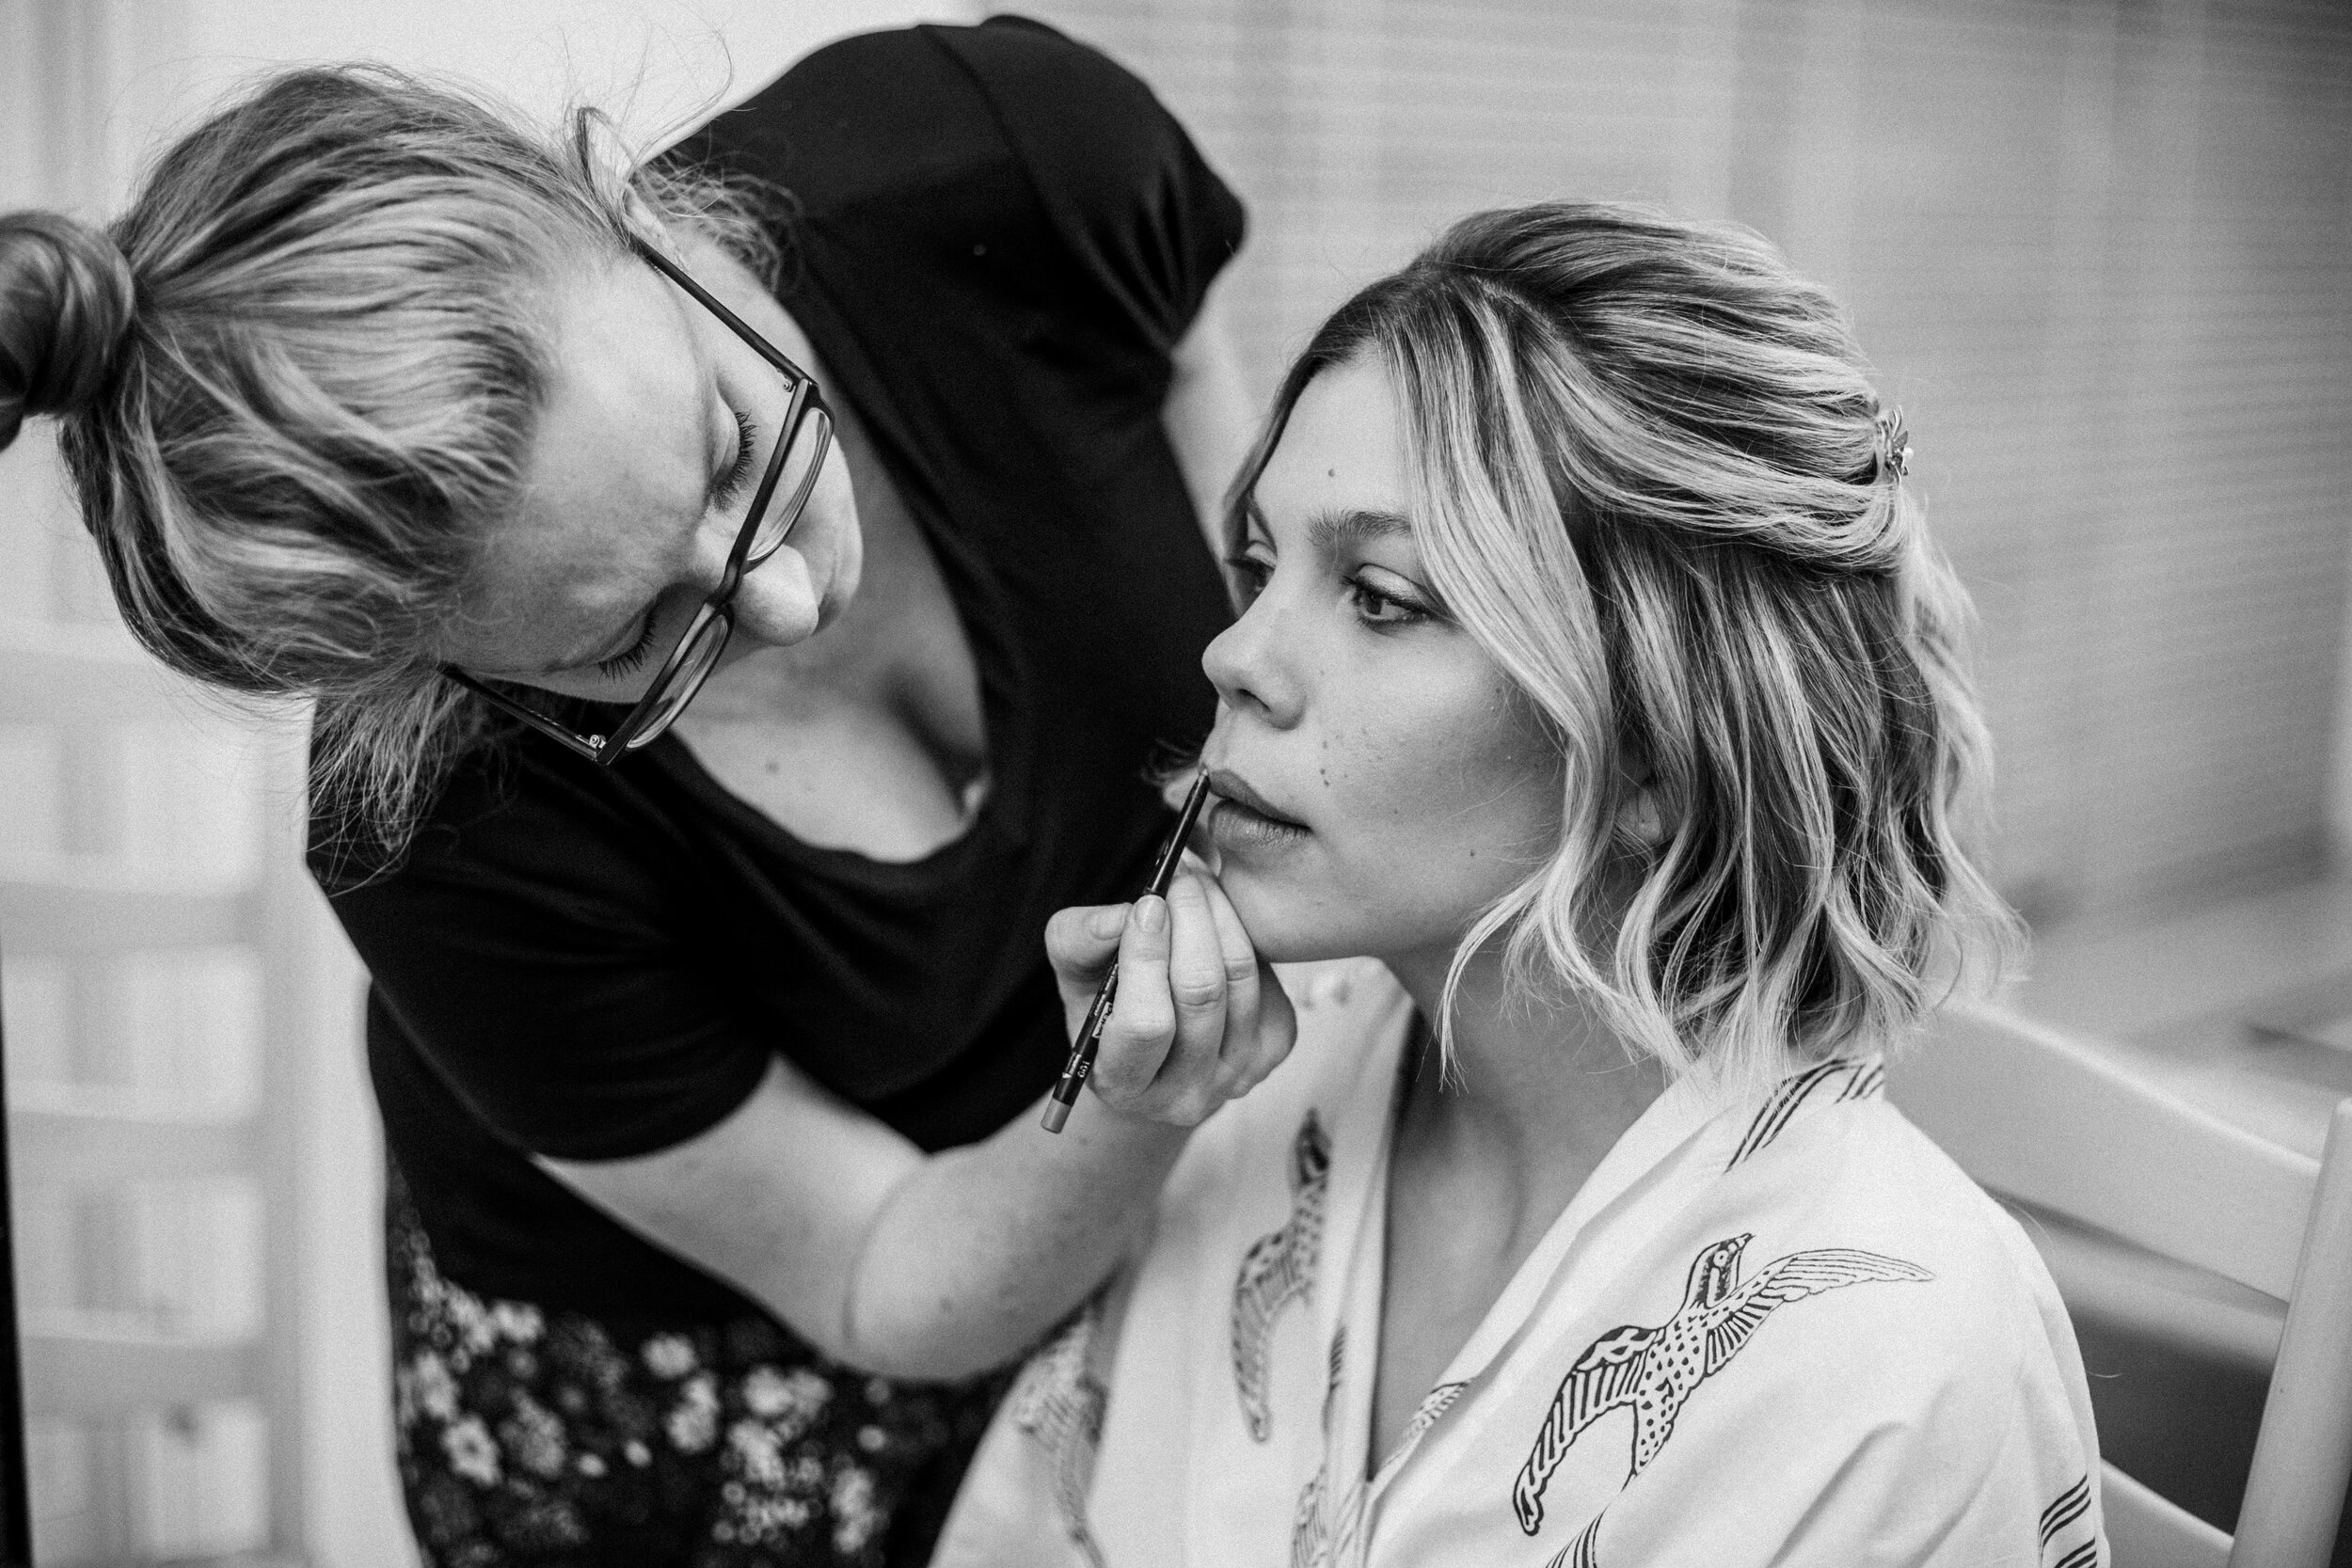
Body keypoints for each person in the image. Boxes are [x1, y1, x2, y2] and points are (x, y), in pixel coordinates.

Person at [0, 17, 1300, 1565]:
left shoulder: (1006, 162)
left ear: (625, 207)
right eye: (630, 644)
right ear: (443, 687)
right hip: (696, 1394)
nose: (790, 601)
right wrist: (1138, 1112)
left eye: (732, 445)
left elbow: (1271, 548)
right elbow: (877, 1273)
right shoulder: (436, 844)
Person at [937, 200, 2106, 1567]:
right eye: (1258, 564)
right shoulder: (1258, 1076)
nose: (1235, 656)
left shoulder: (1883, 1372)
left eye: (1381, 597)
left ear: (1664, 746)